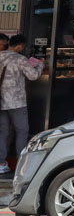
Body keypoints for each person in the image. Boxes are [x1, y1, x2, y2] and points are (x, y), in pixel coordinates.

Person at [0, 35, 43, 174]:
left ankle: (1, 163)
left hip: (1, 101)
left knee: (2, 132)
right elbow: (33, 76)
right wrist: (40, 64)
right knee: (22, 131)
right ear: (19, 46)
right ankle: (21, 163)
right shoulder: (20, 59)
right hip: (17, 102)